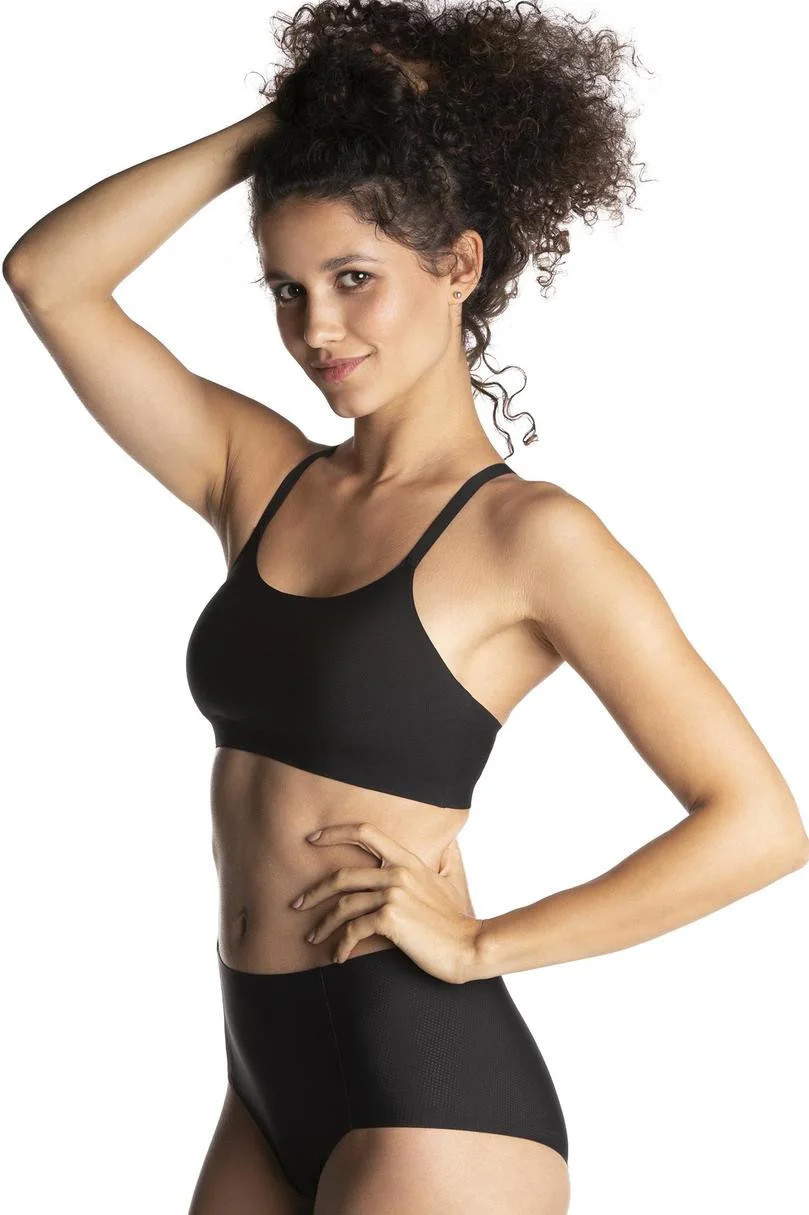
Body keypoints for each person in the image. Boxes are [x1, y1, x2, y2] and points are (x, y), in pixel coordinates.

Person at [4, 2, 807, 1212]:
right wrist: (287, 124)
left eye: (352, 280)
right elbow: (49, 279)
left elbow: (757, 825)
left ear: (458, 266)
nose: (315, 330)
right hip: (257, 1071)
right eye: (286, 289)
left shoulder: (530, 537)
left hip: (428, 1085)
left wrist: (485, 943)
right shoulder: (259, 477)